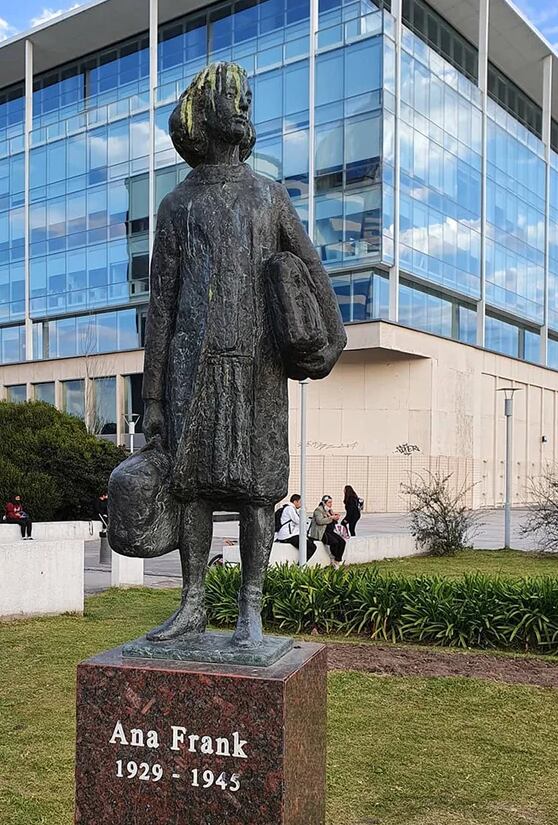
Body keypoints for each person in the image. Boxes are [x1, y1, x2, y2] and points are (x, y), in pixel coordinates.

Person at [134, 61, 345, 647]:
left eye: (248, 96)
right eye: (233, 96)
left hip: (258, 367)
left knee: (256, 489)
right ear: (203, 111)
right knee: (193, 486)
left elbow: (309, 267)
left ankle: (250, 606)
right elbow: (164, 307)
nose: (244, 105)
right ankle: (193, 602)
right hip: (190, 369)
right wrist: (152, 397)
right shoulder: (177, 206)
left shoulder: (269, 196)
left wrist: (328, 333)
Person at [274, 494, 317, 560]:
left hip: (289, 535)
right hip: (288, 536)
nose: (301, 504)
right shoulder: (290, 509)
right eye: (300, 502)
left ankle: (301, 564)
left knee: (311, 543)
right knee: (312, 547)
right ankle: (300, 565)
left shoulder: (290, 508)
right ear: (295, 502)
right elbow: (299, 521)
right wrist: (303, 511)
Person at [309, 495, 346, 568]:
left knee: (342, 542)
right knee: (334, 542)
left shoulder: (329, 510)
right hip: (321, 532)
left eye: (331, 502)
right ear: (324, 503)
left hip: (330, 531)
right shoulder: (318, 510)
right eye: (329, 502)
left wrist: (335, 517)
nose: (331, 504)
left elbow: (332, 521)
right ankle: (333, 558)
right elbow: (320, 521)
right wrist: (331, 518)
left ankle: (337, 560)